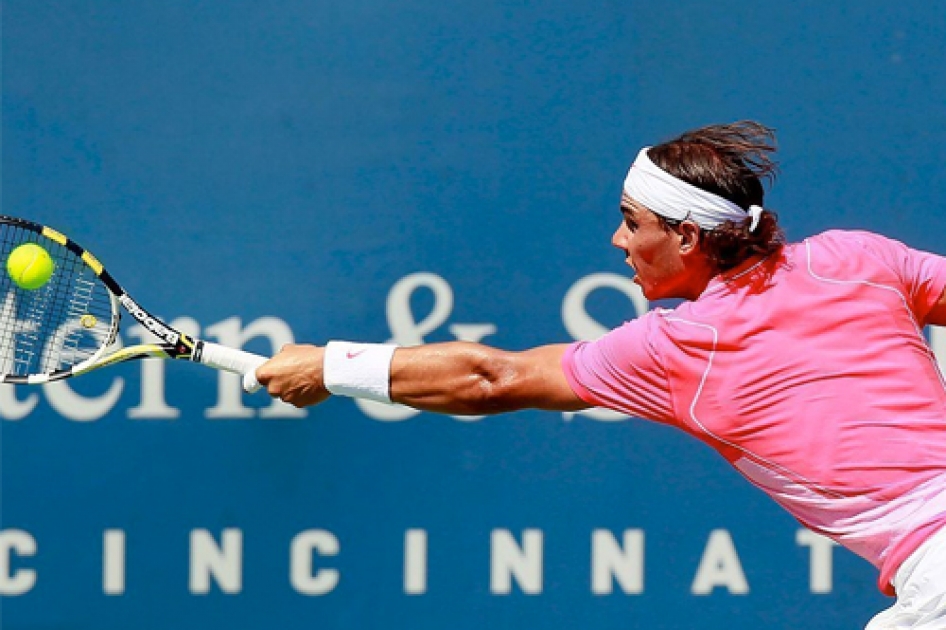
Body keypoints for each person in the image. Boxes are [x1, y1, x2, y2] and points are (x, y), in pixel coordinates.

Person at [255, 121, 946, 629]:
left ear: (686, 237)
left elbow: (491, 378)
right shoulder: (856, 256)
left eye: (630, 221)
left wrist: (329, 365)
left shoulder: (678, 347)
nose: (618, 240)